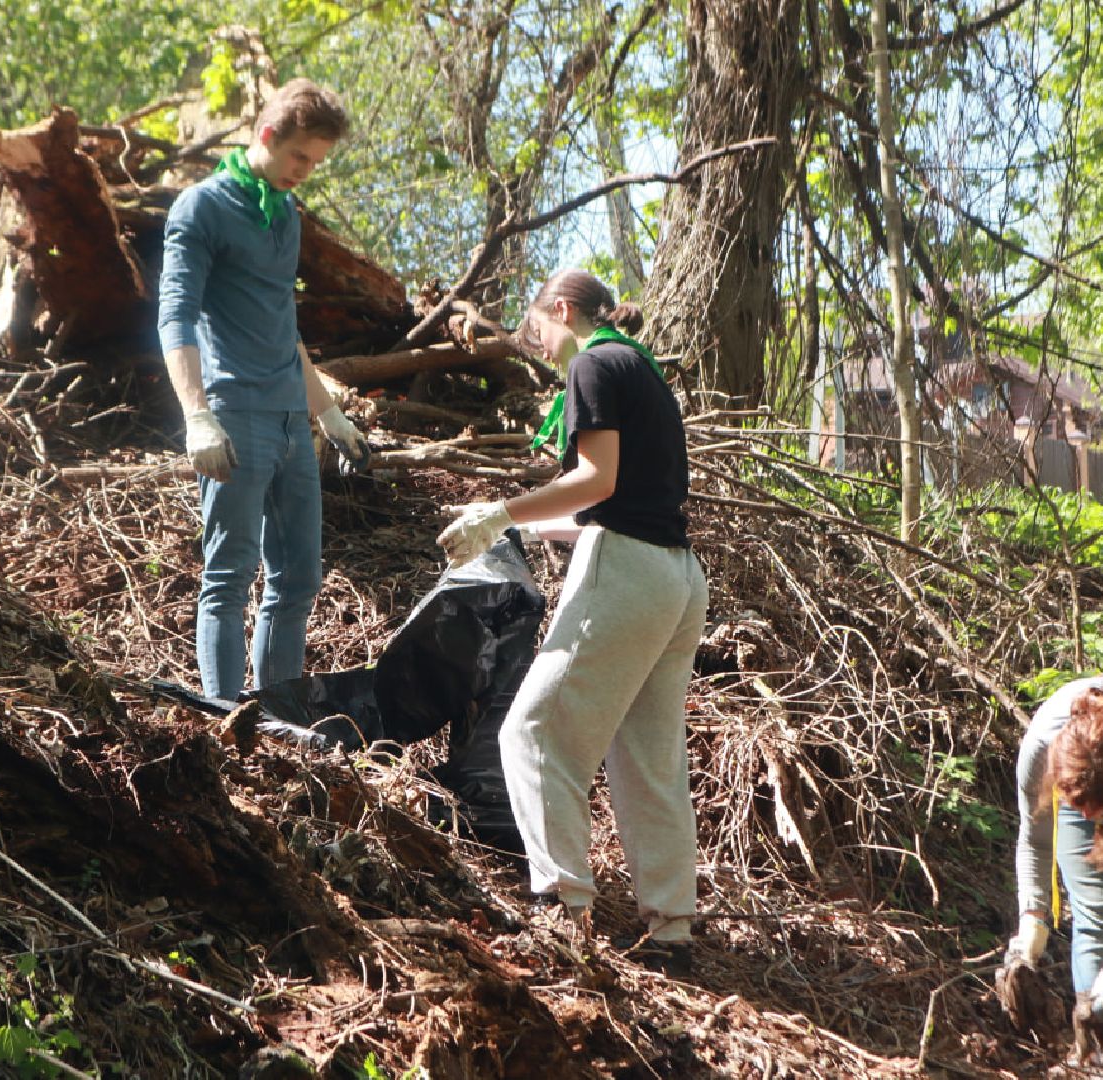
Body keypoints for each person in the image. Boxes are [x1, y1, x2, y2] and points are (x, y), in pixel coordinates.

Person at [437, 269, 706, 974]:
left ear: (560, 310)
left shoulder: (591, 362)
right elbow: (618, 499)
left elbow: (597, 481)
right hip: (676, 577)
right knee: (650, 756)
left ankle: (563, 913)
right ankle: (671, 928)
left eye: (539, 334)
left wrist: (500, 510)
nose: (543, 349)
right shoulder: (639, 368)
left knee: (535, 732)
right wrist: (520, 529)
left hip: (624, 572)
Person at [157, 78, 370, 702]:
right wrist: (196, 416)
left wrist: (328, 414)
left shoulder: (286, 216)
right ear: (267, 135)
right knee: (228, 574)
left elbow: (286, 326)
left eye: (317, 163)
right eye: (299, 157)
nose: (305, 171)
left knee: (298, 577)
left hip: (288, 422)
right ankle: (226, 719)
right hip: (234, 414)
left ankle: (276, 716)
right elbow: (174, 317)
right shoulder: (201, 208)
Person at [1002, 646, 1103, 1057]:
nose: (1090, 816)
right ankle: (1102, 1058)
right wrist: (1032, 919)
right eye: (1079, 803)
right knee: (1096, 920)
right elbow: (1035, 838)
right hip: (1100, 775)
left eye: (1098, 807)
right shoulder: (1044, 747)